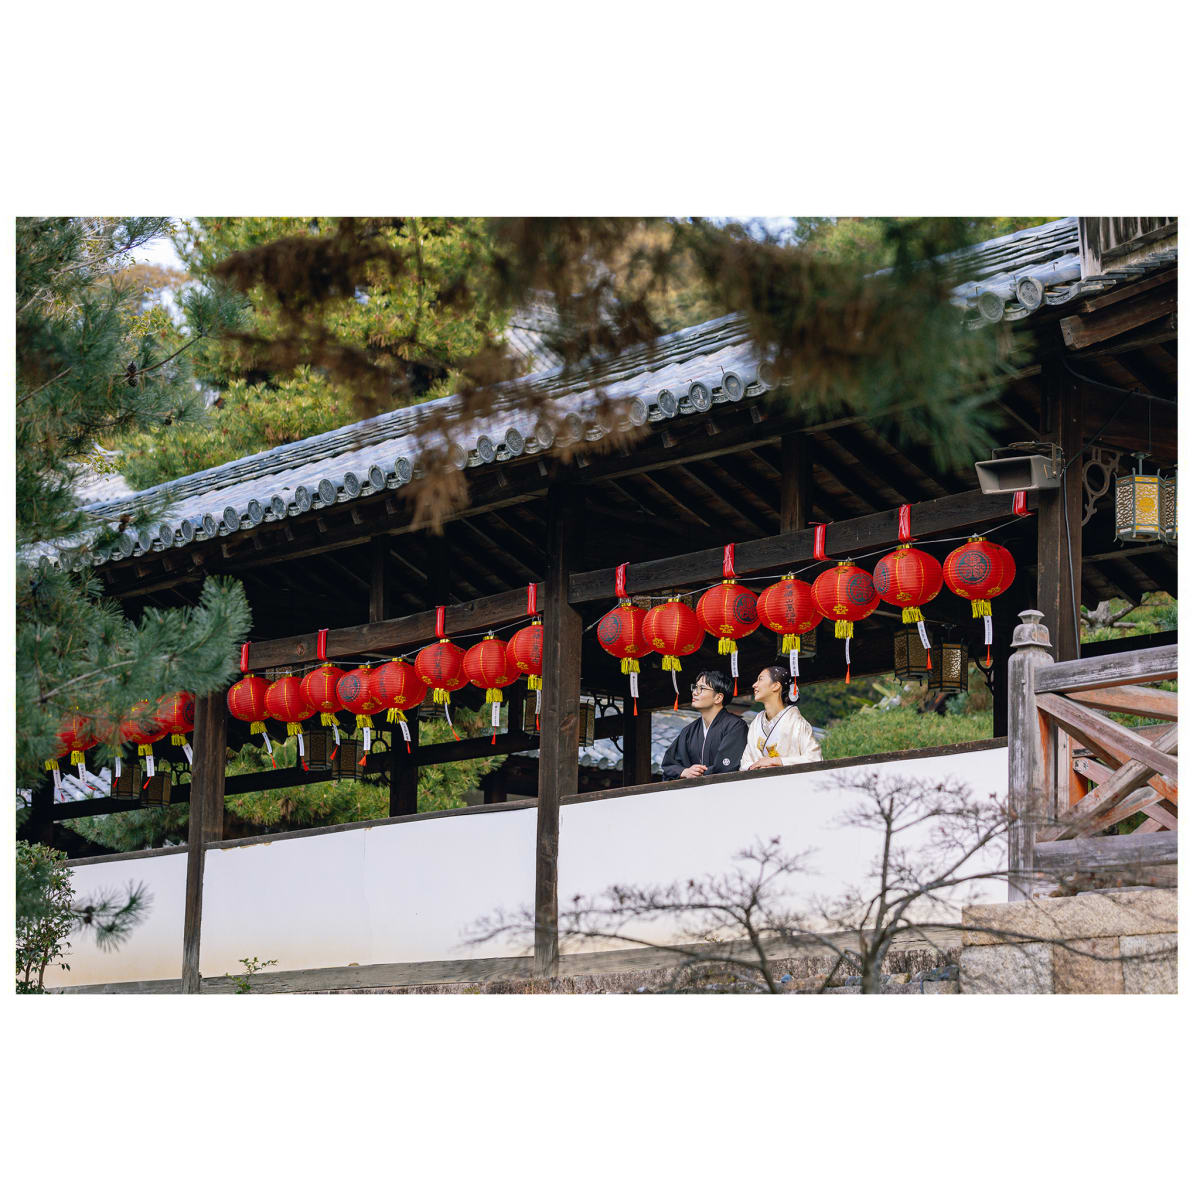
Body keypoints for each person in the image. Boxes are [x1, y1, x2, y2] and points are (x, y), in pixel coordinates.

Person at [660, 667, 749, 780]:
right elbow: (669, 764)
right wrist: (684, 771)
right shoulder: (689, 731)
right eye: (695, 687)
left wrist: (698, 774)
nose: (694, 692)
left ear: (718, 698)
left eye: (701, 688)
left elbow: (727, 767)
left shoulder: (735, 726)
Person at [740, 663, 822, 770]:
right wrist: (757, 766)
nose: (754, 685)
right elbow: (745, 762)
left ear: (776, 686)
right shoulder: (756, 723)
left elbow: (815, 758)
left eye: (760, 679)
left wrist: (778, 761)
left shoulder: (796, 722)